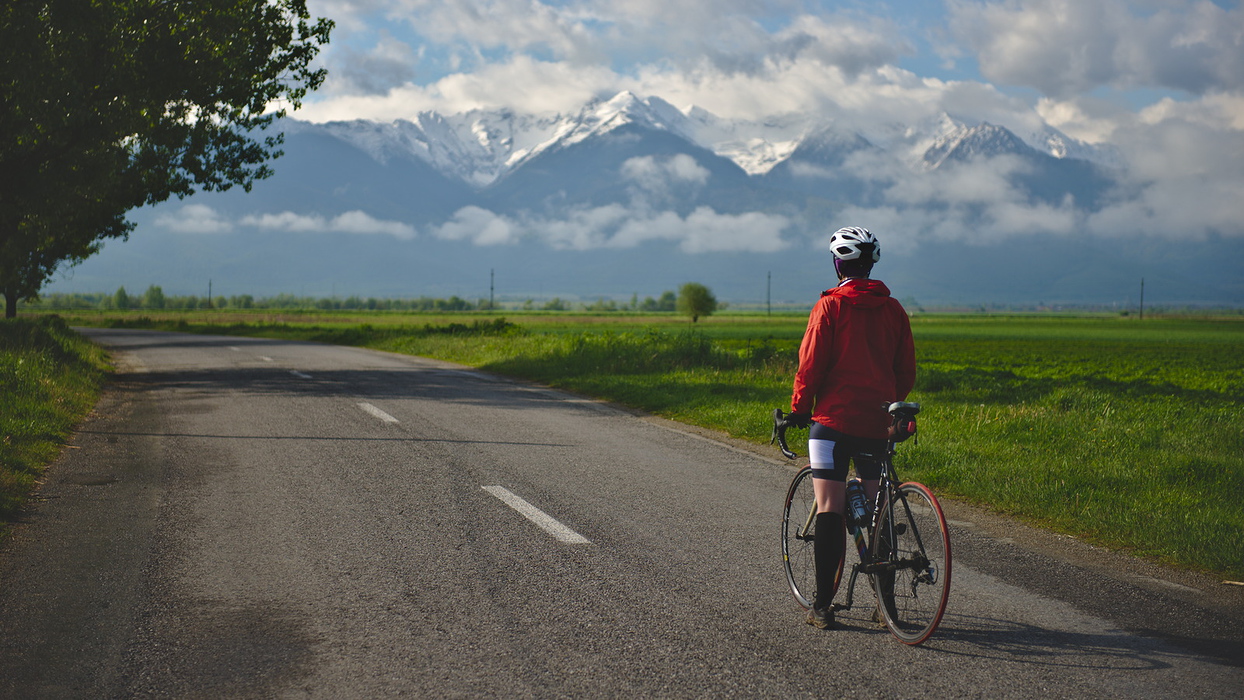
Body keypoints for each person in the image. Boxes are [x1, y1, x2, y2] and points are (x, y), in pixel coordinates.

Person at [785, 226, 916, 629]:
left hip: (833, 425)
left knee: (830, 507)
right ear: (871, 263)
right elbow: (905, 371)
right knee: (876, 510)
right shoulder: (894, 309)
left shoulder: (829, 307)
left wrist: (798, 409)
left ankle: (822, 606)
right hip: (877, 425)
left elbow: (811, 365)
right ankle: (887, 607)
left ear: (838, 263)